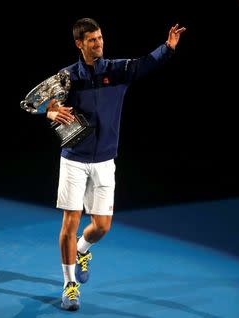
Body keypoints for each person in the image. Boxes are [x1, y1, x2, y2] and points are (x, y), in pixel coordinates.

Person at [45, 18, 186, 311]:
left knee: (102, 227)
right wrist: (51, 113)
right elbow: (48, 104)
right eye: (92, 40)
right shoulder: (67, 77)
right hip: (73, 160)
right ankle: (69, 285)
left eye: (100, 38)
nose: (99, 43)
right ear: (79, 44)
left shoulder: (117, 70)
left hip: (105, 161)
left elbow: (146, 63)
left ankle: (83, 250)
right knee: (69, 223)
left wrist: (168, 47)